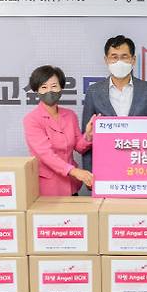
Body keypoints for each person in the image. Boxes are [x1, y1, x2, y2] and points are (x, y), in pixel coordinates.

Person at [81, 34, 147, 171]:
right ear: (106, 60)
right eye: (114, 57)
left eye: (124, 57)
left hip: (140, 166)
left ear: (133, 60)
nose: (119, 62)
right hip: (106, 167)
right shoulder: (94, 91)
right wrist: (89, 174)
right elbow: (87, 137)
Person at [23, 65, 95, 196]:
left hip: (71, 185)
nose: (49, 91)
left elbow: (79, 147)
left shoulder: (70, 115)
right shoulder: (32, 119)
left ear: (61, 88)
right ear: (37, 90)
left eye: (54, 86)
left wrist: (89, 135)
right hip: (47, 188)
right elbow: (45, 154)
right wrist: (74, 171)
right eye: (44, 87)